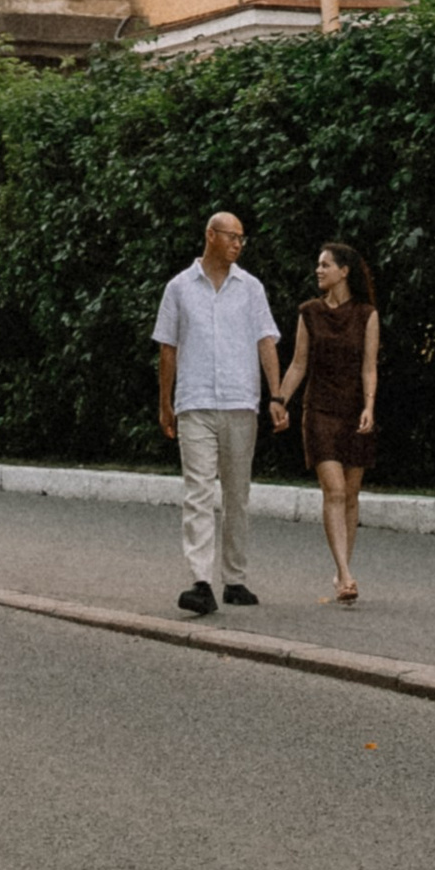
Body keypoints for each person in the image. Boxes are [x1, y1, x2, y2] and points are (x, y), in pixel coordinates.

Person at [151, 209, 282, 616]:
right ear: (211, 236)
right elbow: (168, 348)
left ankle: (235, 578)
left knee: (237, 493)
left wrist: (276, 396)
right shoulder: (178, 288)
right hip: (195, 402)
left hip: (241, 401)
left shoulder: (251, 288)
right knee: (199, 492)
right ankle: (201, 581)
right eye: (232, 236)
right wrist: (165, 402)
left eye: (242, 238)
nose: (238, 244)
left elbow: (266, 341)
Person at [270, 239, 380, 603]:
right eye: (318, 265)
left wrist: (369, 407)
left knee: (350, 495)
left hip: (354, 411)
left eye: (325, 265)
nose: (318, 270)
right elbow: (299, 363)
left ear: (344, 271)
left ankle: (341, 572)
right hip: (319, 411)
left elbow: (369, 367)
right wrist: (279, 399)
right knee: (333, 491)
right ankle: (346, 575)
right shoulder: (309, 312)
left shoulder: (367, 314)